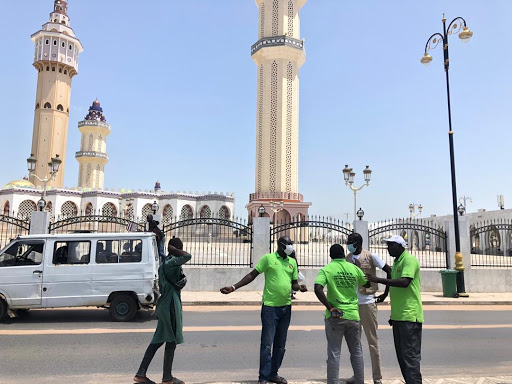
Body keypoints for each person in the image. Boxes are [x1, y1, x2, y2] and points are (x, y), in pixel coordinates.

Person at [220, 236, 307, 384]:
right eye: (288, 244)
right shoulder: (268, 258)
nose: (291, 246)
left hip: (286, 307)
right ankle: (263, 377)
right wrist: (233, 287)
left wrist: (300, 288)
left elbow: (293, 284)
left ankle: (274, 374)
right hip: (270, 308)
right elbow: (252, 275)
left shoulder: (292, 262)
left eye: (291, 244)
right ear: (280, 245)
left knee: (280, 345)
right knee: (267, 344)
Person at [365, 235, 423, 384]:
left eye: (391, 245)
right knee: (403, 357)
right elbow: (393, 281)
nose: (388, 248)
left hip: (410, 317)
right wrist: (385, 294)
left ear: (400, 246)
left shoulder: (409, 260)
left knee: (410, 357)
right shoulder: (397, 261)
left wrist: (379, 280)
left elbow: (404, 282)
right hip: (399, 316)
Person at [133, 238, 191, 384]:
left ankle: (141, 374)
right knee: (171, 341)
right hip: (170, 305)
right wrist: (174, 249)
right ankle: (167, 378)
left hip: (164, 305)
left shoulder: (164, 263)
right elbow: (187, 256)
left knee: (158, 340)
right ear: (176, 248)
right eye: (180, 248)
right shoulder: (171, 263)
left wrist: (173, 250)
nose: (181, 250)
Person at [314, 244, 368, 384]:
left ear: (330, 255)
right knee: (356, 351)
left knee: (334, 353)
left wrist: (330, 307)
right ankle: (360, 381)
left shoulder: (327, 269)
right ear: (344, 254)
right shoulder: (353, 268)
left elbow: (318, 289)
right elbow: (366, 284)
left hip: (335, 316)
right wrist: (359, 269)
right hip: (353, 316)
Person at [344, 233, 392, 384]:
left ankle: (377, 377)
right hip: (352, 305)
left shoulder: (371, 256)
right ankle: (357, 376)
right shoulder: (347, 258)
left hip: (368, 302)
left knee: (372, 341)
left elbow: (388, 270)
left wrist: (385, 292)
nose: (348, 244)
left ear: (357, 243)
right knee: (354, 343)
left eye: (350, 242)